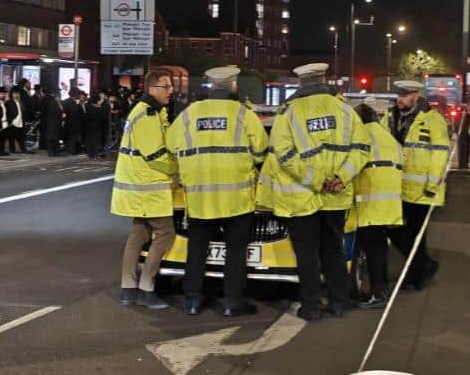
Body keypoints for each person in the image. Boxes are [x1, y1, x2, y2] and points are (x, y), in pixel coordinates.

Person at [259, 63, 370, 321]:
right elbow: (362, 148)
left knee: (307, 254)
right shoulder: (345, 110)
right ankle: (339, 303)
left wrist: (316, 180)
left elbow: (284, 155)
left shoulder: (289, 113)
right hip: (336, 196)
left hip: (302, 196)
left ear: (301, 83)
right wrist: (340, 178)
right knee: (333, 250)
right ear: (324, 79)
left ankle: (311, 307)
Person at [167, 66, 268, 317]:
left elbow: (171, 145)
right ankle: (233, 302)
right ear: (233, 86)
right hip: (237, 197)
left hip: (201, 196)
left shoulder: (190, 114)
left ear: (210, 87)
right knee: (235, 250)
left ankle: (192, 300)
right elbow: (260, 151)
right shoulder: (244, 114)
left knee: (197, 248)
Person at [111, 69, 177, 310]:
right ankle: (146, 288)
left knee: (138, 235)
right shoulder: (147, 115)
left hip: (138, 185)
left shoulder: (147, 111)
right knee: (166, 233)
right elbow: (156, 155)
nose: (171, 91)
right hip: (148, 186)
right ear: (152, 89)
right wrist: (178, 171)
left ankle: (128, 288)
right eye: (166, 87)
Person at [382, 80, 449, 290]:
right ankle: (424, 265)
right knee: (392, 229)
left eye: (404, 95)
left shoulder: (433, 121)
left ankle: (417, 275)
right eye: (398, 95)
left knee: (416, 235)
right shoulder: (388, 116)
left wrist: (432, 184)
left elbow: (439, 155)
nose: (399, 99)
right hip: (395, 187)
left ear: (416, 96)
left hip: (421, 190)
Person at [347, 103, 403, 309]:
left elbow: (353, 167)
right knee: (379, 249)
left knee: (372, 251)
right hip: (389, 204)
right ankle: (381, 291)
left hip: (369, 203)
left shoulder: (362, 137)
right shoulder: (390, 139)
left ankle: (378, 294)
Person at [84, 92, 108, 160]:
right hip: (96, 127)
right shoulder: (97, 109)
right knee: (96, 141)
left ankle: (90, 155)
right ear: (97, 101)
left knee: (90, 140)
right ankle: (95, 155)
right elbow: (102, 117)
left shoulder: (88, 106)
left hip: (89, 127)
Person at [40, 86, 63, 157]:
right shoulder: (53, 101)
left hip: (50, 121)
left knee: (52, 137)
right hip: (53, 121)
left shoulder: (50, 100)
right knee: (53, 137)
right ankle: (53, 151)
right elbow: (58, 112)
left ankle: (52, 151)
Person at [5, 88, 28, 154]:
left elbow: (24, 112)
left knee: (21, 137)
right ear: (12, 94)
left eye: (18, 94)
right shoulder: (9, 102)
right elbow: (7, 113)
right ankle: (12, 150)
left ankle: (23, 149)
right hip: (13, 122)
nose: (16, 95)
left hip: (21, 122)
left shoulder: (21, 102)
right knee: (11, 138)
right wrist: (9, 122)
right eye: (15, 94)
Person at [61, 89, 82, 155]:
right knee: (72, 138)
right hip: (73, 124)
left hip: (66, 123)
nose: (79, 95)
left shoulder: (64, 102)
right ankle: (71, 151)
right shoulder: (75, 103)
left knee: (68, 138)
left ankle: (68, 150)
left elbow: (63, 114)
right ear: (75, 94)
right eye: (78, 94)